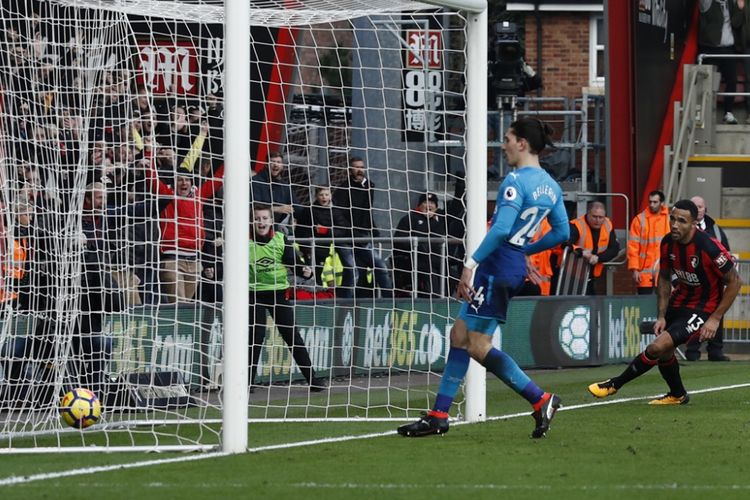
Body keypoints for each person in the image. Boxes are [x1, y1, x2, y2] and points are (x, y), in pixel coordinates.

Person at [397, 118, 570, 438]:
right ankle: (439, 414)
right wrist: (527, 247)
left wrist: (470, 264)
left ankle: (540, 399)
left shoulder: (516, 181)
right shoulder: (551, 185)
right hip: (509, 263)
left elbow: (502, 229)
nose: (502, 145)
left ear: (522, 143)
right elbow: (563, 231)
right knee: (459, 335)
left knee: (477, 345)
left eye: (507, 139)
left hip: (496, 266)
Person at [588, 199, 741, 405]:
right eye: (673, 219)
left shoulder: (708, 247)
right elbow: (664, 277)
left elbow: (735, 282)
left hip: (702, 308)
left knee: (656, 347)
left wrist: (714, 319)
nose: (675, 224)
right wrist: (661, 315)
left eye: (682, 221)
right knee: (666, 351)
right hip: (679, 302)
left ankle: (614, 384)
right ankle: (677, 395)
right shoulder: (668, 242)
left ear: (694, 223)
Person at [249, 204, 326, 391]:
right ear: (252, 221)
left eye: (265, 218)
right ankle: (247, 382)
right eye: (258, 218)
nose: (261, 222)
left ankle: (312, 379)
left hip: (277, 292)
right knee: (255, 336)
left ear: (271, 221)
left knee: (292, 335)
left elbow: (293, 262)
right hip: (252, 293)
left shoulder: (280, 239)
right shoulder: (244, 241)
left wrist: (305, 272)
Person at [145, 160, 224, 304]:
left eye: (187, 179)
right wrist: (149, 153)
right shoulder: (167, 195)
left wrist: (230, 157)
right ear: (174, 182)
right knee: (179, 307)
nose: (184, 183)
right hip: (172, 261)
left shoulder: (199, 195)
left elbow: (218, 179)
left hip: (194, 262)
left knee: (185, 310)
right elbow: (152, 179)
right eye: (180, 179)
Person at [331, 156, 393, 298]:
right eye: (356, 167)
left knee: (381, 267)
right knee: (354, 273)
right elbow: (340, 215)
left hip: (361, 237)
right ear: (349, 170)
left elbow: (368, 201)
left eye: (362, 167)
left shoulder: (367, 186)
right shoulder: (342, 189)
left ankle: (389, 300)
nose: (360, 170)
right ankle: (347, 305)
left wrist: (372, 230)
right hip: (346, 238)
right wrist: (350, 230)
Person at [686, 195, 732, 361]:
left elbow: (726, 253)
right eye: (694, 206)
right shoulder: (685, 229)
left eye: (700, 206)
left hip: (715, 281)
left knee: (718, 312)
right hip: (694, 280)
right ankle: (692, 351)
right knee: (694, 315)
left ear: (705, 209)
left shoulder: (717, 230)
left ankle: (716, 351)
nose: (698, 209)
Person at [393, 193, 448, 297]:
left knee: (452, 274)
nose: (429, 206)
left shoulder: (441, 219)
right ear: (419, 205)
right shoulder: (410, 218)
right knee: (429, 271)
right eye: (426, 202)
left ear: (436, 207)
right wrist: (417, 247)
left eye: (432, 203)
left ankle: (446, 302)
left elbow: (456, 206)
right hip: (417, 260)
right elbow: (398, 241)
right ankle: (433, 301)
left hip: (438, 260)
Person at [699, 0, 743, 124]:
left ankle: (728, 112)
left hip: (728, 48)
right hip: (710, 48)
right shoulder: (707, 3)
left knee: (732, 80)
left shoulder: (730, 3)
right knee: (708, 82)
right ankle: (704, 115)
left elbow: (736, 23)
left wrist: (739, 9)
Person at [568, 201, 621, 295]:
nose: (598, 220)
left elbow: (614, 249)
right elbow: (565, 244)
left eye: (601, 217)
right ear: (588, 214)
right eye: (594, 216)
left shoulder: (607, 224)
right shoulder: (576, 225)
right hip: (571, 275)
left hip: (592, 273)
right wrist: (581, 252)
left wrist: (598, 258)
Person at [627, 190, 670, 294]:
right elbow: (633, 247)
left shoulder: (669, 219)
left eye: (655, 202)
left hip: (664, 272)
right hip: (644, 274)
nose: (652, 204)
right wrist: (635, 269)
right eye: (650, 202)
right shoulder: (639, 220)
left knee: (664, 306)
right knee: (645, 306)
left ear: (662, 203)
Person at [250, 151, 299, 227]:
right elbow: (254, 207)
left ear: (282, 165)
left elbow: (298, 208)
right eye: (272, 162)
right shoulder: (255, 181)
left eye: (278, 162)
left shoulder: (285, 186)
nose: (276, 164)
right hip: (256, 227)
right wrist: (277, 209)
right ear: (266, 164)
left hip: (277, 229)